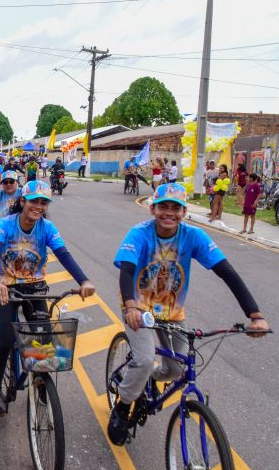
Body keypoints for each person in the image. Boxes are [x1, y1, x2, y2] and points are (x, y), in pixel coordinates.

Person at [107, 182, 269, 446]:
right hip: (139, 308)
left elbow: (226, 272)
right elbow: (126, 270)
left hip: (172, 313)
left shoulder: (194, 237)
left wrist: (255, 313)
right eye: (163, 207)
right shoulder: (139, 234)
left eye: (176, 208)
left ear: (184, 212)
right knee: (146, 357)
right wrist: (130, 306)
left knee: (176, 368)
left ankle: (141, 377)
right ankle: (123, 406)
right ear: (153, 209)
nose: (169, 213)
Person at [0, 181, 95, 416]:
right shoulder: (5, 224)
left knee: (44, 339)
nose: (38, 206)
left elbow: (63, 254)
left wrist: (84, 281)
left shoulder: (47, 227)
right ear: (23, 201)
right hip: (5, 287)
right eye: (34, 201)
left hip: (34, 287)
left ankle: (40, 382)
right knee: (4, 339)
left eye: (43, 202)